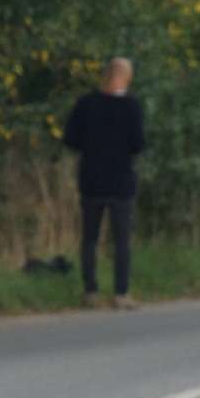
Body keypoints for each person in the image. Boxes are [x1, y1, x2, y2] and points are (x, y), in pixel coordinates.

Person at [63, 56, 146, 309]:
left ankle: (90, 291)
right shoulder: (131, 107)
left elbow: (70, 139)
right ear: (125, 78)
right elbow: (139, 144)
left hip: (91, 180)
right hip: (120, 182)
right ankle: (121, 293)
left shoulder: (86, 104)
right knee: (121, 240)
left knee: (90, 238)